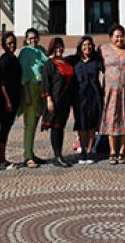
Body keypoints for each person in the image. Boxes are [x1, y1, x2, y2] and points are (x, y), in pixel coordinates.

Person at [99, 24, 125, 164]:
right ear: (111, 37)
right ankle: (112, 151)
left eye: (122, 36)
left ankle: (122, 151)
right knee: (112, 120)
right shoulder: (103, 50)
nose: (119, 39)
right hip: (110, 91)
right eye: (116, 36)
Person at [41, 37, 77, 167]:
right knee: (55, 127)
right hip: (54, 100)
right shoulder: (49, 64)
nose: (59, 49)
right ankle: (57, 156)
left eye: (61, 47)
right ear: (52, 49)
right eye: (57, 47)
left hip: (65, 101)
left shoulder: (67, 62)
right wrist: (48, 99)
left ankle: (59, 153)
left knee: (61, 127)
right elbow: (46, 84)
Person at [18, 27, 49, 168]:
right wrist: (27, 95)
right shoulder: (25, 52)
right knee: (29, 123)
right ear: (26, 40)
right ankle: (27, 156)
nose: (33, 40)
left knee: (35, 121)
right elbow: (23, 74)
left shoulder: (41, 50)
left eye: (35, 37)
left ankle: (31, 152)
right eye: (30, 38)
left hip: (40, 88)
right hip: (30, 88)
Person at [71, 35, 104, 164]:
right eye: (84, 45)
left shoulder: (97, 60)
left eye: (89, 45)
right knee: (81, 123)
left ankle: (90, 150)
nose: (87, 47)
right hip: (79, 96)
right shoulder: (74, 60)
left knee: (92, 123)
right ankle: (83, 149)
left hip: (94, 95)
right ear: (80, 47)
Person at [0, 32, 23, 170]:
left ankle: (2, 158)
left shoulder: (13, 58)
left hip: (14, 97)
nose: (12, 45)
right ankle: (1, 159)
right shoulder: (5, 60)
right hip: (6, 100)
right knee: (4, 129)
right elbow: (2, 81)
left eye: (13, 43)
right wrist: (8, 101)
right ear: (4, 45)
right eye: (9, 43)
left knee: (7, 128)